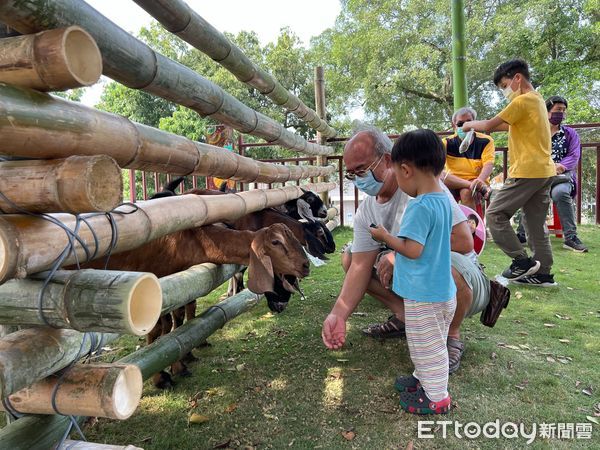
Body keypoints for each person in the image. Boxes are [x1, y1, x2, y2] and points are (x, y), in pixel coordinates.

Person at [321, 125, 504, 375]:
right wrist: (338, 314)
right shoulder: (367, 210)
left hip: (464, 278)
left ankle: (451, 335)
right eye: (352, 174)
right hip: (420, 276)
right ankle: (407, 317)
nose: (358, 179)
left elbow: (464, 241)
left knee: (444, 267)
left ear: (388, 161)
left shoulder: (428, 191)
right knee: (351, 258)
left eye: (361, 170)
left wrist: (398, 254)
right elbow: (361, 266)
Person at [369, 129, 455, 414]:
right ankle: (423, 380)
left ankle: (436, 397)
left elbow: (412, 249)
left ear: (405, 169)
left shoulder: (419, 207)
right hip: (441, 291)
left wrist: (385, 237)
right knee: (431, 342)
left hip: (424, 294)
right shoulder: (443, 200)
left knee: (426, 346)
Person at [462, 59, 556, 287]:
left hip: (527, 170)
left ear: (517, 78)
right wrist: (476, 127)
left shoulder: (523, 100)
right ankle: (542, 273)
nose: (505, 91)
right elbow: (507, 125)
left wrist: (467, 125)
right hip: (544, 171)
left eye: (504, 85)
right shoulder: (537, 100)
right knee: (534, 223)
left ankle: (520, 261)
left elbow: (491, 125)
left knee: (495, 214)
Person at [516, 96, 587, 252]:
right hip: (539, 176)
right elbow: (527, 153)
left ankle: (571, 237)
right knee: (528, 191)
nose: (560, 113)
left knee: (560, 193)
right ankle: (522, 233)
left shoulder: (570, 133)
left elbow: (574, 155)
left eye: (563, 110)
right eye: (557, 110)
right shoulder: (535, 133)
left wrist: (560, 166)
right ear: (546, 112)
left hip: (561, 177)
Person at [442, 107, 495, 210]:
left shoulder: (486, 141)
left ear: (474, 123)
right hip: (453, 180)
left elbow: (488, 164)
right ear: (454, 126)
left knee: (466, 193)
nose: (465, 127)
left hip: (476, 180)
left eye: (469, 122)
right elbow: (437, 167)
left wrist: (479, 180)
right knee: (441, 180)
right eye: (460, 124)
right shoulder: (446, 143)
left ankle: (472, 225)